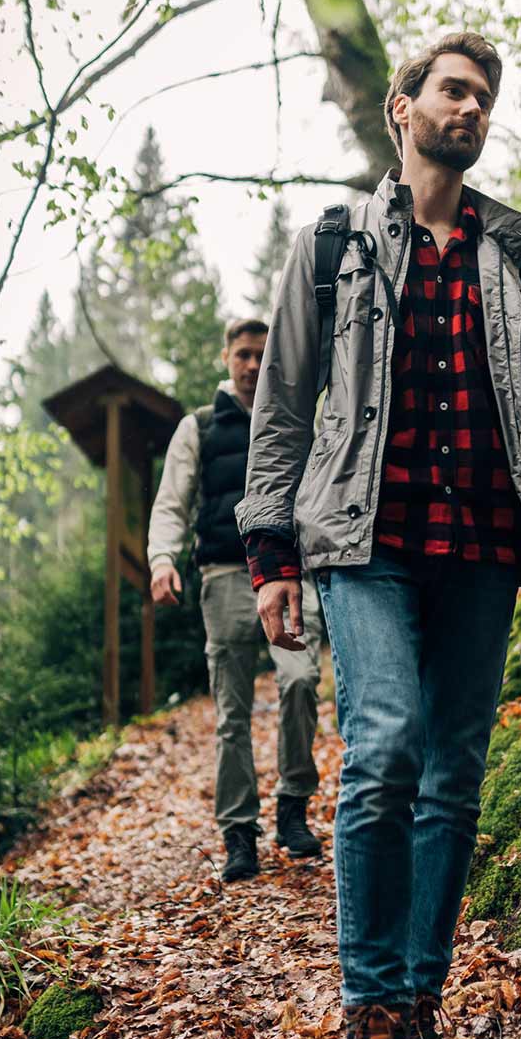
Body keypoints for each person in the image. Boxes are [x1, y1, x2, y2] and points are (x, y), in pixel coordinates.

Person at [236, 33, 521, 1039]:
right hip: (364, 543)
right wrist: (272, 553)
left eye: (486, 97)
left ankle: (417, 1014)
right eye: (453, 90)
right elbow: (280, 410)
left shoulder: (511, 259)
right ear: (401, 110)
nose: (472, 108)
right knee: (388, 746)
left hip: (480, 547)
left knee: (455, 780)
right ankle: (367, 1036)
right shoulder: (331, 245)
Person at [149, 318, 323, 883]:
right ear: (226, 357)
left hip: (295, 575)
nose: (252, 365)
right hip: (224, 575)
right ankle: (239, 833)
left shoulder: (296, 417)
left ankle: (293, 807)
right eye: (243, 354)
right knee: (232, 711)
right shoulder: (198, 427)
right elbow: (172, 501)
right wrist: (162, 560)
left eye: (261, 355)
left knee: (299, 680)